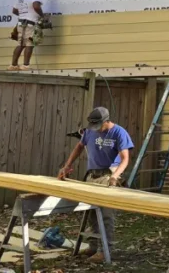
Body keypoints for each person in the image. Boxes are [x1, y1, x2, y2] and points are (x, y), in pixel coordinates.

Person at [58, 107, 134, 263]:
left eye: (98, 125)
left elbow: (125, 158)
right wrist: (67, 166)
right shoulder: (89, 132)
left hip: (108, 176)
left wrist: (115, 176)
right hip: (92, 176)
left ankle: (106, 250)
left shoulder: (119, 133)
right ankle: (92, 246)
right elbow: (79, 147)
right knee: (90, 213)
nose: (96, 129)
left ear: (106, 121)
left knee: (106, 215)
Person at [9, 0, 44, 70]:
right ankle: (25, 65)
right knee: (29, 44)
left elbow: (14, 11)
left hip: (20, 23)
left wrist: (23, 15)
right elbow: (36, 6)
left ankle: (13, 65)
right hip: (30, 23)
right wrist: (42, 15)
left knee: (20, 44)